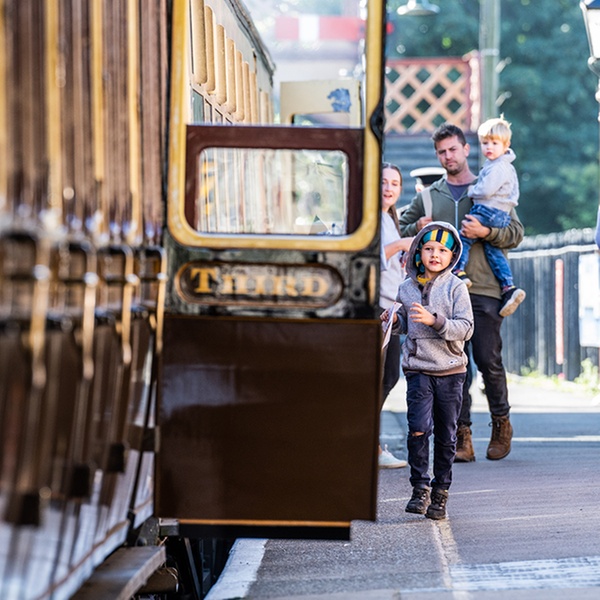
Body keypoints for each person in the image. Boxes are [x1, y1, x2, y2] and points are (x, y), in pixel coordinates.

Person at [398, 122, 524, 463]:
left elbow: (516, 232)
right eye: (441, 152)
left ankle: (501, 424)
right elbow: (401, 228)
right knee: (455, 367)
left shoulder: (488, 187)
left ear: (466, 150)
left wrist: (486, 232)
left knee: (488, 359)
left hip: (483, 288)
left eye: (453, 149)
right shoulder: (428, 196)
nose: (448, 156)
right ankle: (461, 436)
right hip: (440, 293)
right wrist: (416, 227)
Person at [382, 222, 473, 519]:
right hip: (418, 369)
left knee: (446, 435)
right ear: (418, 251)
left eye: (443, 250)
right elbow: (406, 325)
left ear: (452, 255)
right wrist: (394, 321)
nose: (435, 255)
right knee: (418, 428)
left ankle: (440, 492)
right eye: (429, 248)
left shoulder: (456, 287)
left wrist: (436, 321)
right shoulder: (406, 287)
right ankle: (419, 487)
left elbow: (467, 328)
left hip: (450, 371)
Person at [453, 116, 525, 317]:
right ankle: (508, 286)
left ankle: (458, 272)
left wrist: (472, 190)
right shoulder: (504, 166)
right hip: (500, 213)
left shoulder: (498, 166)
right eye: (485, 143)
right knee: (493, 251)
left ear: (506, 145)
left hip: (488, 210)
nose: (489, 147)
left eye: (494, 143)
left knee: (463, 237)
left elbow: (485, 190)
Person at [379, 163, 413, 468]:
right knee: (384, 376)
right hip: (377, 307)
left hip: (390, 307)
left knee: (388, 376)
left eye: (394, 183)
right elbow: (372, 257)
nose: (389, 188)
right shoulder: (371, 219)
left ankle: (370, 443)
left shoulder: (391, 218)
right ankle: (371, 445)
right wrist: (401, 245)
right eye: (383, 182)